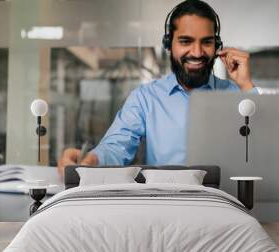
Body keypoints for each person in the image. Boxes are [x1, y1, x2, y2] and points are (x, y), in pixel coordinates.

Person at [58, 0, 258, 176]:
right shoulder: (145, 98)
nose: (197, 52)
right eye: (186, 41)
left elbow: (262, 151)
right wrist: (92, 161)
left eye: (206, 42)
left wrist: (246, 85)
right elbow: (116, 146)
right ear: (169, 44)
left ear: (217, 46)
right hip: (166, 206)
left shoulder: (235, 95)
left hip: (224, 205)